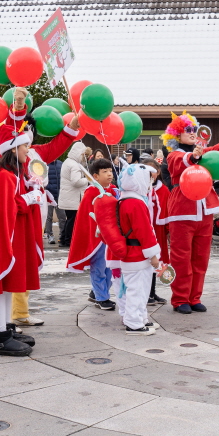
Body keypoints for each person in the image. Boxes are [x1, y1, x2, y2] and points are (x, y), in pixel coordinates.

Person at [0, 89, 80, 353]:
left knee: (11, 283)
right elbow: (8, 206)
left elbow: (48, 146)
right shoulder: (6, 176)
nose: (28, 147)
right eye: (23, 144)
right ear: (13, 148)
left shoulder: (18, 171)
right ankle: (1, 335)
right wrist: (32, 198)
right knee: (2, 284)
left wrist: (71, 128)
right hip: (7, 239)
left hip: (18, 235)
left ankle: (7, 328)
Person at [162, 111, 219, 313]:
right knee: (181, 258)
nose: (192, 133)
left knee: (201, 258)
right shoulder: (174, 155)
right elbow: (181, 162)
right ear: (176, 135)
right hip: (182, 212)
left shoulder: (202, 152)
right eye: (187, 130)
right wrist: (194, 155)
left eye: (194, 129)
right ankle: (180, 299)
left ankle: (194, 297)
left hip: (204, 212)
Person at [106, 163, 161, 335]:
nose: (149, 184)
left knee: (138, 290)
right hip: (137, 254)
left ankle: (140, 319)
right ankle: (134, 323)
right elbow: (144, 231)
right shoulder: (135, 203)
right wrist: (153, 254)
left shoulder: (125, 200)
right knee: (137, 290)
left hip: (133, 253)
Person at [66, 158, 118, 310]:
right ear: (95, 176)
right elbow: (86, 217)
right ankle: (102, 298)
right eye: (104, 172)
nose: (109, 174)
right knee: (99, 266)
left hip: (111, 236)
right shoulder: (91, 192)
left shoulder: (113, 190)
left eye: (110, 171)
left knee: (110, 266)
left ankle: (98, 293)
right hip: (98, 237)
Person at [141, 156, 169, 305]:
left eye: (153, 171)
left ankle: (152, 292)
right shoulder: (139, 188)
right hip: (143, 230)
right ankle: (146, 293)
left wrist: (169, 229)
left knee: (157, 261)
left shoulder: (163, 189)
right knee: (145, 260)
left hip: (158, 230)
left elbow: (168, 209)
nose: (150, 174)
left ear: (158, 172)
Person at [58, 142, 91, 247]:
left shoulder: (67, 162)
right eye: (84, 155)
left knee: (69, 219)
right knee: (72, 220)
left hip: (68, 196)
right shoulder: (75, 165)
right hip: (73, 197)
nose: (85, 158)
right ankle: (68, 241)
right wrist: (87, 180)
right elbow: (76, 182)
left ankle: (63, 239)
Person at [44, 158, 64, 244]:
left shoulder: (61, 164)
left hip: (60, 195)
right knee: (49, 217)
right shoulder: (46, 164)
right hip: (49, 195)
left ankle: (62, 235)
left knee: (62, 216)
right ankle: (49, 235)